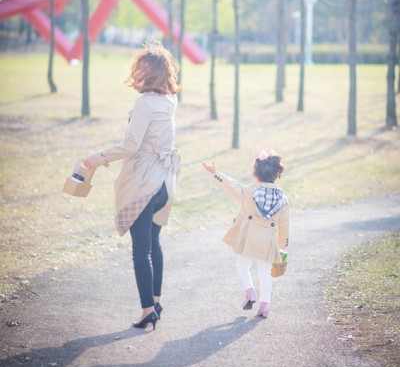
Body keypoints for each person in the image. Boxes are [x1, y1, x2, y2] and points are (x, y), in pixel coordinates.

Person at [83, 43, 181, 330]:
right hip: (165, 182)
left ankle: (147, 309)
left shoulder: (144, 104)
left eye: (140, 70)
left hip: (145, 184)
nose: (136, 74)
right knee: (154, 244)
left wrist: (96, 158)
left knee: (141, 250)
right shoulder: (169, 101)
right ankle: (156, 302)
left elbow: (131, 146)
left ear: (148, 74)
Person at [202, 149, 289, 319]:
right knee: (265, 273)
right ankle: (264, 306)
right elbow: (284, 223)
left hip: (248, 238)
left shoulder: (249, 191)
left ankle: (250, 291)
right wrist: (282, 244)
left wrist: (215, 173)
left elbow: (231, 185)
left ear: (256, 174)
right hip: (268, 241)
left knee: (242, 266)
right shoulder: (282, 198)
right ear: (276, 175)